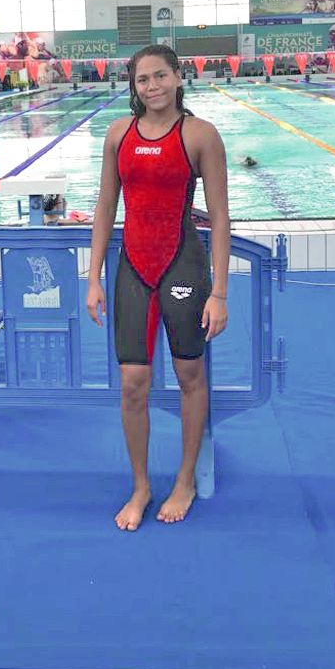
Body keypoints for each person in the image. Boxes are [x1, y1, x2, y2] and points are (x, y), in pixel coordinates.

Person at [86, 44, 230, 531]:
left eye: (160, 76)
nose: (151, 87)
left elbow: (222, 216)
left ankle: (185, 478)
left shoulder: (199, 135)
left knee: (190, 373)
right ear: (133, 86)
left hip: (183, 265)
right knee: (132, 383)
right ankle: (141, 485)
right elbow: (106, 207)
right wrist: (93, 278)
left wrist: (220, 292)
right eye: (142, 79)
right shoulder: (117, 135)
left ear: (178, 77)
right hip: (132, 268)